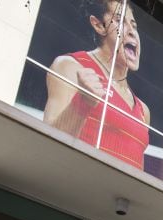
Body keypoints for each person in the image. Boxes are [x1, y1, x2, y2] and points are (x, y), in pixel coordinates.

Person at [43, 0, 150, 170]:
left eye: (134, 25)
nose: (132, 32)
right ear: (99, 25)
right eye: (120, 21)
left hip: (120, 197)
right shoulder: (71, 67)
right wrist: (82, 103)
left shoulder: (143, 111)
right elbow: (46, 144)